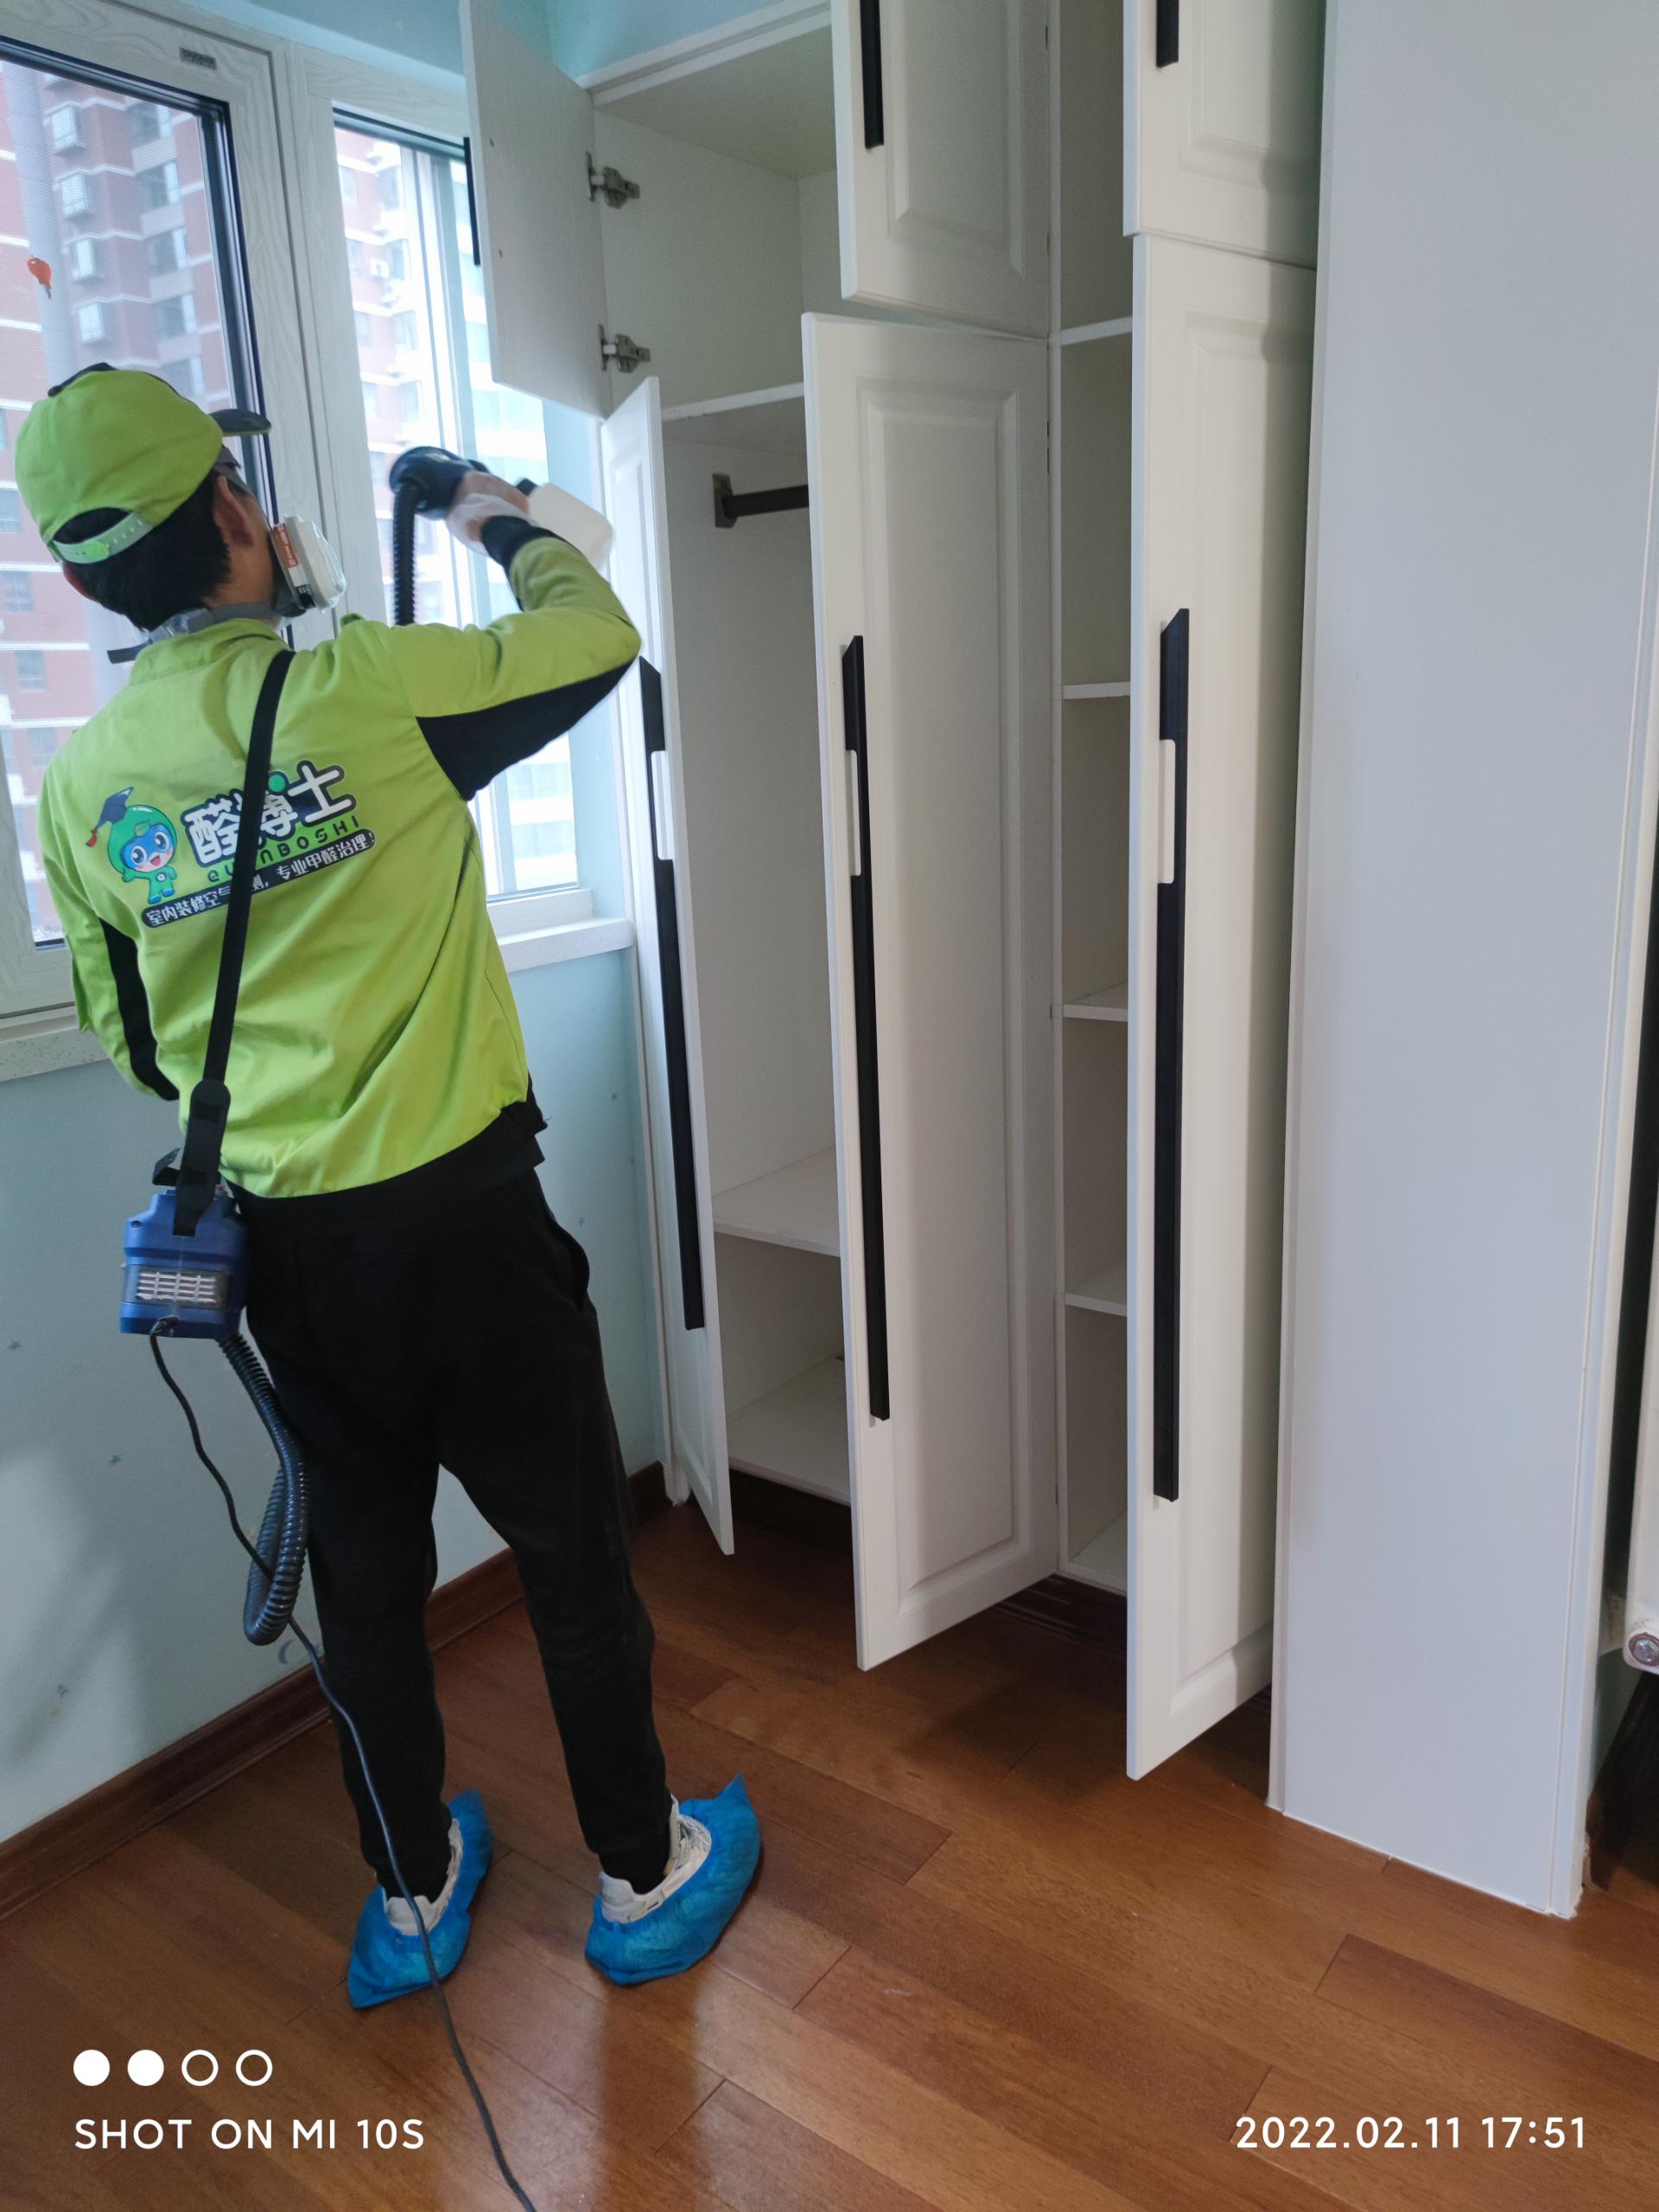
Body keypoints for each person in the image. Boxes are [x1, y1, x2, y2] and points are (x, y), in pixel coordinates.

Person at [19, 365, 759, 2005]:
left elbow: (140, 1046)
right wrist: (490, 515)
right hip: (468, 1229)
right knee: (569, 1554)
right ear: (232, 509)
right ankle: (642, 1873)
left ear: (78, 578)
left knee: (364, 1583)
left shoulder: (81, 791)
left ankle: (413, 1897)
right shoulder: (366, 685)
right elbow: (594, 637)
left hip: (285, 1260)